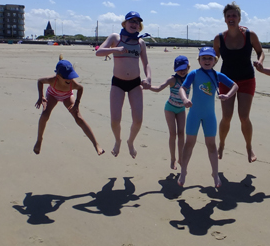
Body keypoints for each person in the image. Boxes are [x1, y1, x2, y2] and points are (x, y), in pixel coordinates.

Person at [178, 47, 238, 188]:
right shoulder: (193, 73)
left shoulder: (217, 75)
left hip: (209, 116)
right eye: (203, 58)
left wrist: (227, 95)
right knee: (189, 143)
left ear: (215, 61)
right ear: (199, 60)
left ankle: (215, 174)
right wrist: (185, 99)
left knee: (211, 145)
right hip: (194, 114)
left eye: (210, 58)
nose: (206, 60)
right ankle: (183, 171)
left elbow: (235, 86)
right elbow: (182, 88)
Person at [213, 1, 265, 163]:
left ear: (239, 18)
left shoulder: (250, 35)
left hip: (247, 79)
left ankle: (249, 148)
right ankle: (221, 145)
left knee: (244, 116)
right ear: (225, 19)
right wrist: (206, 65)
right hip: (226, 81)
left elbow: (260, 51)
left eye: (234, 15)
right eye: (228, 16)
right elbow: (215, 57)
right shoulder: (219, 38)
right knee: (226, 116)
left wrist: (260, 61)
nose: (231, 18)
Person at [96, 11, 151, 158]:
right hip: (118, 83)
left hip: (135, 83)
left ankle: (130, 142)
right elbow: (99, 52)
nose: (134, 24)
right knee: (115, 120)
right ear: (124, 23)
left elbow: (146, 63)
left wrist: (149, 77)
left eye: (137, 22)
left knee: (138, 120)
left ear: (140, 26)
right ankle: (117, 140)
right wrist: (115, 49)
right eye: (131, 21)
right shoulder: (116, 37)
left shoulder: (141, 42)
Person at [33, 55, 104, 156]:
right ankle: (39, 140)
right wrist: (41, 97)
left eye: (71, 76)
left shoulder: (72, 83)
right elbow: (40, 81)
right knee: (45, 115)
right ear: (58, 76)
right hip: (52, 95)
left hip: (67, 96)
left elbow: (80, 88)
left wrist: (77, 104)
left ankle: (96, 144)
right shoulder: (52, 80)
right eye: (67, 78)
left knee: (79, 118)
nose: (70, 80)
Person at [143, 55, 190, 170]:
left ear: (188, 67)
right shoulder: (172, 79)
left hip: (181, 109)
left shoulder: (190, 78)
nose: (182, 71)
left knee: (181, 133)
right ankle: (172, 159)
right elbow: (159, 88)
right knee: (173, 134)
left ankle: (181, 158)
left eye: (184, 69)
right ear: (175, 69)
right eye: (179, 69)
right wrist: (147, 87)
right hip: (170, 108)